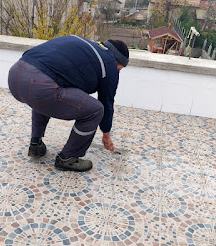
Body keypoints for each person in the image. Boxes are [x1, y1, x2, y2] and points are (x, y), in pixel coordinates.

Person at [8, 35, 129, 172]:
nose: (118, 71)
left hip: (15, 75)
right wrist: (106, 134)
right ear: (118, 60)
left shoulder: (85, 46)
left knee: (46, 92)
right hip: (39, 86)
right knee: (96, 110)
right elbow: (107, 102)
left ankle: (36, 144)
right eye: (120, 68)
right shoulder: (110, 65)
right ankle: (68, 158)